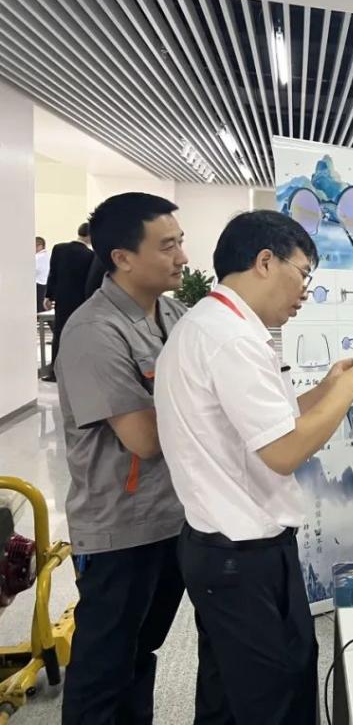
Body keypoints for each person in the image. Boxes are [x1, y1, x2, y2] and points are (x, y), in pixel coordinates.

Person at [155, 211, 353, 723]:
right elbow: (284, 451)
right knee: (276, 697)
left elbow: (273, 423)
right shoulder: (232, 340)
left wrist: (330, 387)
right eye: (303, 273)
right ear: (265, 262)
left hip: (222, 548)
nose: (305, 290)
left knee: (228, 694)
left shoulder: (216, 325)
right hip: (242, 557)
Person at [55, 194, 189, 725]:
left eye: (180, 242)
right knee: (103, 667)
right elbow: (144, 439)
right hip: (119, 528)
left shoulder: (175, 315)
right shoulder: (94, 332)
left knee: (140, 652)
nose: (182, 257)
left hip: (172, 517)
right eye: (168, 245)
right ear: (122, 257)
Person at [42, 222, 94, 381]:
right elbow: (89, 282)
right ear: (90, 237)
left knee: (59, 334)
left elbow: (53, 274)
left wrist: (48, 296)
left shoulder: (59, 249)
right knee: (78, 335)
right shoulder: (90, 255)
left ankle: (54, 372)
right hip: (81, 302)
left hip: (62, 299)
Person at [34, 236, 49, 312]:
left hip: (38, 285)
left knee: (38, 309)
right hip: (45, 285)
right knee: (42, 309)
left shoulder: (37, 257)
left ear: (40, 246)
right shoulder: (47, 256)